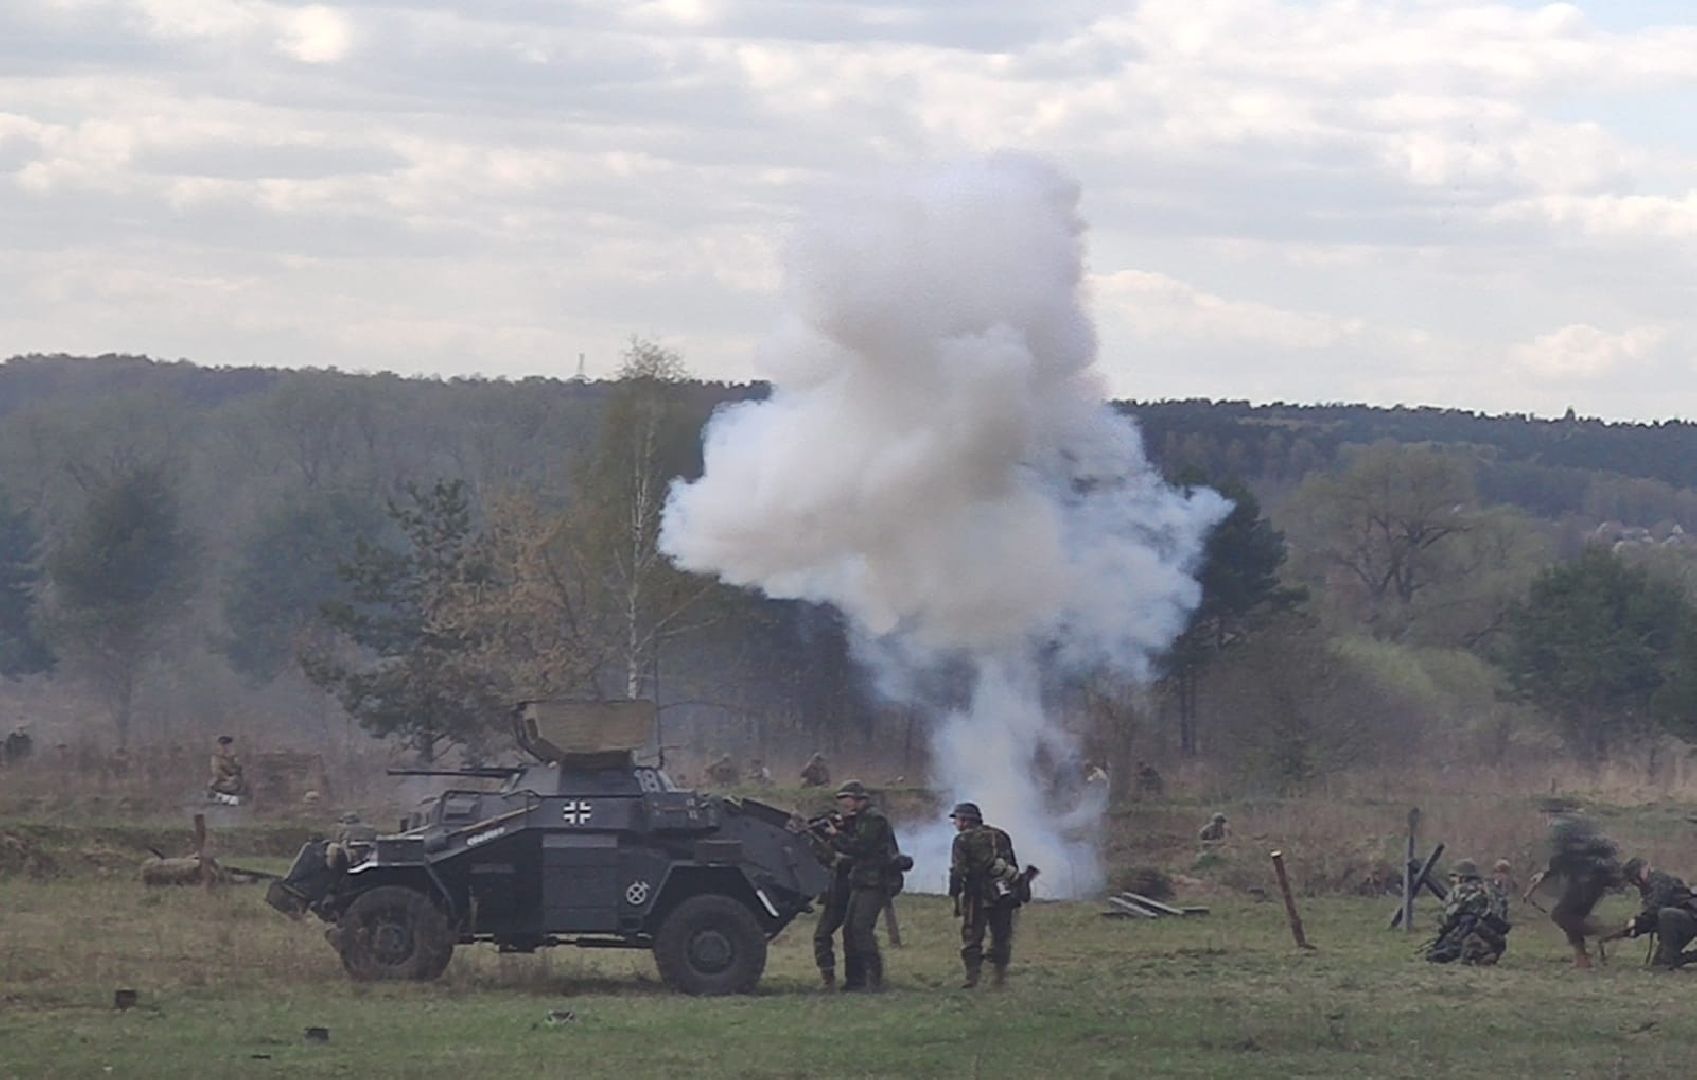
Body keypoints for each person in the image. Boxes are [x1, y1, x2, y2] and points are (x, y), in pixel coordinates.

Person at [821, 779, 896, 991]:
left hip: (875, 880)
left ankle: (874, 979)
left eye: (846, 799)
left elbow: (861, 847)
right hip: (862, 880)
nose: (844, 804)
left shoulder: (873, 819)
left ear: (858, 799)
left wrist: (836, 836)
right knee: (850, 931)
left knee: (861, 929)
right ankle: (855, 980)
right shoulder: (862, 818)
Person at [948, 802, 1028, 988]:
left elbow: (958, 871)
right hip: (1004, 892)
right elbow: (1011, 862)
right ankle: (999, 977)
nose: (956, 824)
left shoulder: (962, 840)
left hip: (977, 894)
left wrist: (955, 894)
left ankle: (972, 978)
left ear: (965, 821)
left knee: (972, 935)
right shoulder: (1000, 835)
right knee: (1001, 936)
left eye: (957, 820)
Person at [1524, 816, 1620, 969]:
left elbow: (1562, 858)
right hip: (1592, 883)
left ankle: (1604, 933)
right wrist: (1544, 874)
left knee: (1561, 915)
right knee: (1571, 918)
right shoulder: (1580, 833)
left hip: (1585, 882)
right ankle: (1582, 959)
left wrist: (1544, 874)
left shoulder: (1564, 832)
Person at [1617, 858, 1697, 967]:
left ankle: (1681, 958)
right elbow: (1652, 916)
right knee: (1659, 964)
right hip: (1682, 920)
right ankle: (1674, 959)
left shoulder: (1659, 880)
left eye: (1636, 876)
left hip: (1690, 917)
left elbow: (1656, 909)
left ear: (1645, 868)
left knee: (1666, 914)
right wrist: (1634, 929)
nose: (1635, 882)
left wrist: (1637, 923)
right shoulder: (1649, 887)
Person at [1426, 859, 1507, 965]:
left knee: (1466, 922)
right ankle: (1485, 952)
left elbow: (1450, 916)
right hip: (1498, 939)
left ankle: (1474, 952)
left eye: (1454, 876)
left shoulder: (1461, 889)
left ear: (1462, 877)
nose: (1452, 880)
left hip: (1472, 933)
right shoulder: (1491, 888)